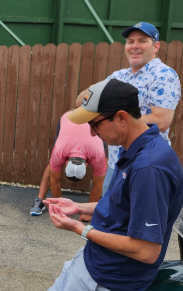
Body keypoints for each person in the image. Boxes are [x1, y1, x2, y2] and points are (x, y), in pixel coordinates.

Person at [44, 78, 183, 291]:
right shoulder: (134, 148)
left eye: (95, 124)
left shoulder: (148, 168)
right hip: (93, 261)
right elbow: (121, 207)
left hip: (108, 280)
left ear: (121, 117)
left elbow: (146, 251)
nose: (91, 133)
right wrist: (78, 206)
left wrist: (81, 228)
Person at [76, 22, 181, 196]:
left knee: (141, 217)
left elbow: (161, 121)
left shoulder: (163, 75)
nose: (135, 46)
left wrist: (119, 120)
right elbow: (82, 100)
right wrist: (92, 95)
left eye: (142, 41)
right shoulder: (119, 76)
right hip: (117, 162)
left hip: (145, 163)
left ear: (156, 46)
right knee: (110, 215)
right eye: (130, 41)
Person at [30, 111, 106, 222]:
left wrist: (89, 213)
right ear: (66, 162)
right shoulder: (60, 151)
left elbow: (98, 185)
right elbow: (54, 180)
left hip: (93, 123)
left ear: (87, 164)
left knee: (104, 168)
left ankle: (100, 207)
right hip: (69, 118)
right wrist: (60, 210)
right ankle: (40, 199)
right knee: (53, 165)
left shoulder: (98, 154)